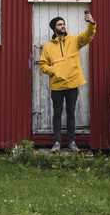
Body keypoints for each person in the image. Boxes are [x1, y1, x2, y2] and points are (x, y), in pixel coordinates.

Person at [39, 12, 96, 153]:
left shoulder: (74, 40)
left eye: (64, 24)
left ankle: (71, 142)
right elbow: (42, 65)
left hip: (72, 83)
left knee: (71, 113)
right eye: (60, 24)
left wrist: (92, 23)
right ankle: (57, 143)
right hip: (57, 85)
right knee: (57, 113)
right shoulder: (48, 47)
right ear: (54, 28)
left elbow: (88, 36)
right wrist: (54, 71)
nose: (63, 26)